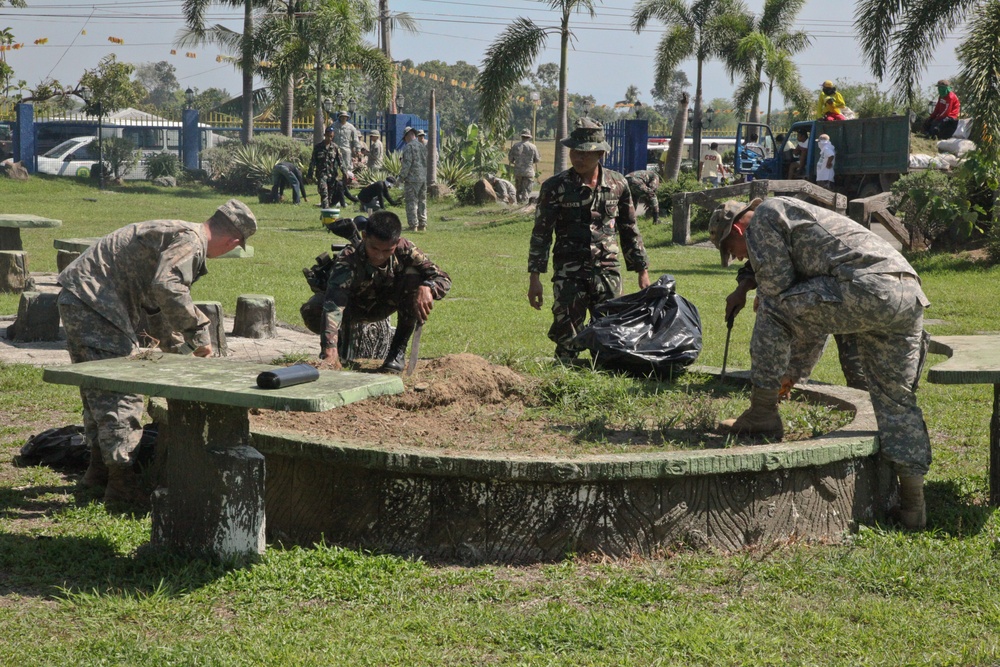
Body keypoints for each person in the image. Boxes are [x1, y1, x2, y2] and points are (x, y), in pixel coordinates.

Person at [709, 197, 931, 529]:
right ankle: (914, 506)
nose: (739, 256)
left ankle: (762, 413)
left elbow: (780, 293)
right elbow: (814, 314)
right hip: (905, 293)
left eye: (733, 248)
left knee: (770, 303)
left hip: (867, 287)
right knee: (895, 399)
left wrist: (759, 300)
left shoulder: (766, 217)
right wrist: (795, 372)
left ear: (738, 229)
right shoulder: (794, 219)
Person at [56, 200, 257, 504]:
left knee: (98, 388)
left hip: (83, 297)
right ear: (233, 241)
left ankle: (98, 472)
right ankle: (121, 484)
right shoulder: (191, 241)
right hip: (97, 303)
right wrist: (199, 333)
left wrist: (176, 348)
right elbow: (168, 288)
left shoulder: (177, 234)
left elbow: (154, 304)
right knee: (122, 391)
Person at [528, 117, 651, 362]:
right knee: (566, 335)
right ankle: (563, 384)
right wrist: (535, 278)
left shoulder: (618, 184)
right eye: (574, 151)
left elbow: (629, 229)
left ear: (599, 154)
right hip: (569, 272)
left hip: (607, 270)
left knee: (609, 332)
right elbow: (541, 234)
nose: (577, 158)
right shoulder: (555, 186)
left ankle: (603, 385)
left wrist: (642, 270)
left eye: (584, 153)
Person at [318, 209, 451, 373]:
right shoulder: (348, 259)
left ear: (397, 242)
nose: (380, 256)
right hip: (354, 308)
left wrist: (429, 287)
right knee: (313, 309)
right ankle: (338, 348)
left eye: (387, 250)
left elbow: (443, 278)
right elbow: (334, 305)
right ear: (364, 236)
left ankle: (397, 352)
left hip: (387, 304)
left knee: (414, 276)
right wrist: (329, 350)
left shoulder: (406, 249)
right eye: (374, 249)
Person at [399, 126, 428, 231]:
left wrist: (401, 178)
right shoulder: (422, 146)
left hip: (412, 179)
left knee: (411, 201)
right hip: (423, 178)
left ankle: (413, 225)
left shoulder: (408, 147)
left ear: (407, 136)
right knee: (422, 201)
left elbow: (407, 164)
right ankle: (422, 224)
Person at [308, 128, 343, 209]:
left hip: (332, 175)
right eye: (328, 136)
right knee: (324, 192)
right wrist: (310, 174)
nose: (329, 138)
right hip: (322, 174)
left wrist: (344, 172)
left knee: (330, 195)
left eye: (331, 136)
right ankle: (325, 209)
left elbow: (340, 161)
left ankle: (327, 210)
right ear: (324, 135)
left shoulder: (335, 147)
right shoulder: (318, 147)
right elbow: (313, 161)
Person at [508, 128, 542, 203]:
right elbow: (537, 159)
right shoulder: (533, 147)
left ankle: (519, 203)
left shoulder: (515, 146)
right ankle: (524, 203)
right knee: (527, 190)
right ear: (529, 137)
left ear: (522, 136)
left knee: (519, 190)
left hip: (518, 172)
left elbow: (510, 159)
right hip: (528, 172)